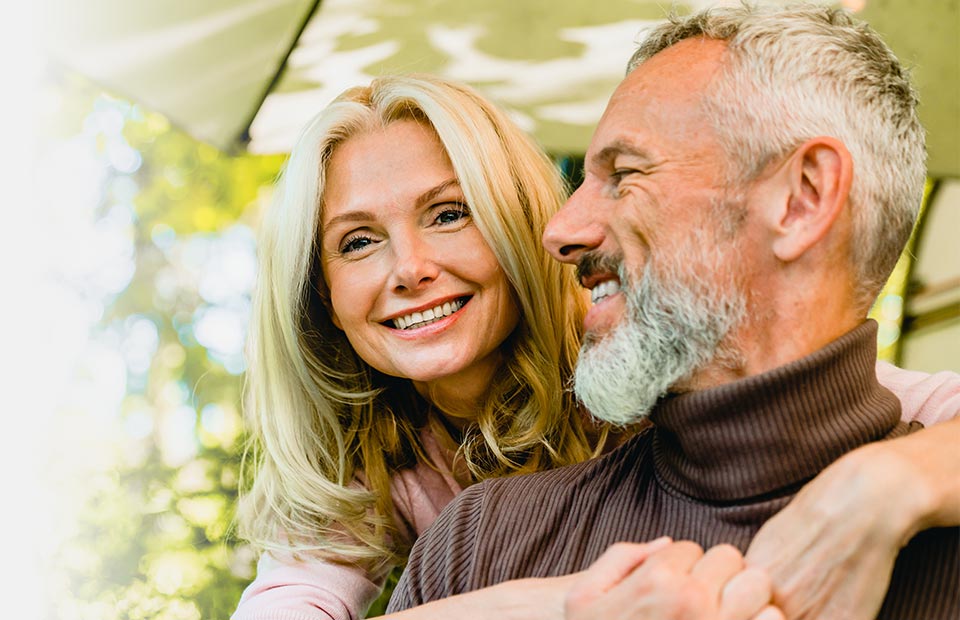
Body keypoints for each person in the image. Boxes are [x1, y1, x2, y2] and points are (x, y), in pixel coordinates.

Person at [233, 74, 960, 620]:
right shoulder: (367, 457)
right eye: (358, 241)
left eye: (449, 214)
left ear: (520, 225)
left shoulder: (640, 343)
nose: (408, 269)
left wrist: (879, 490)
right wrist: (572, 604)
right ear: (320, 295)